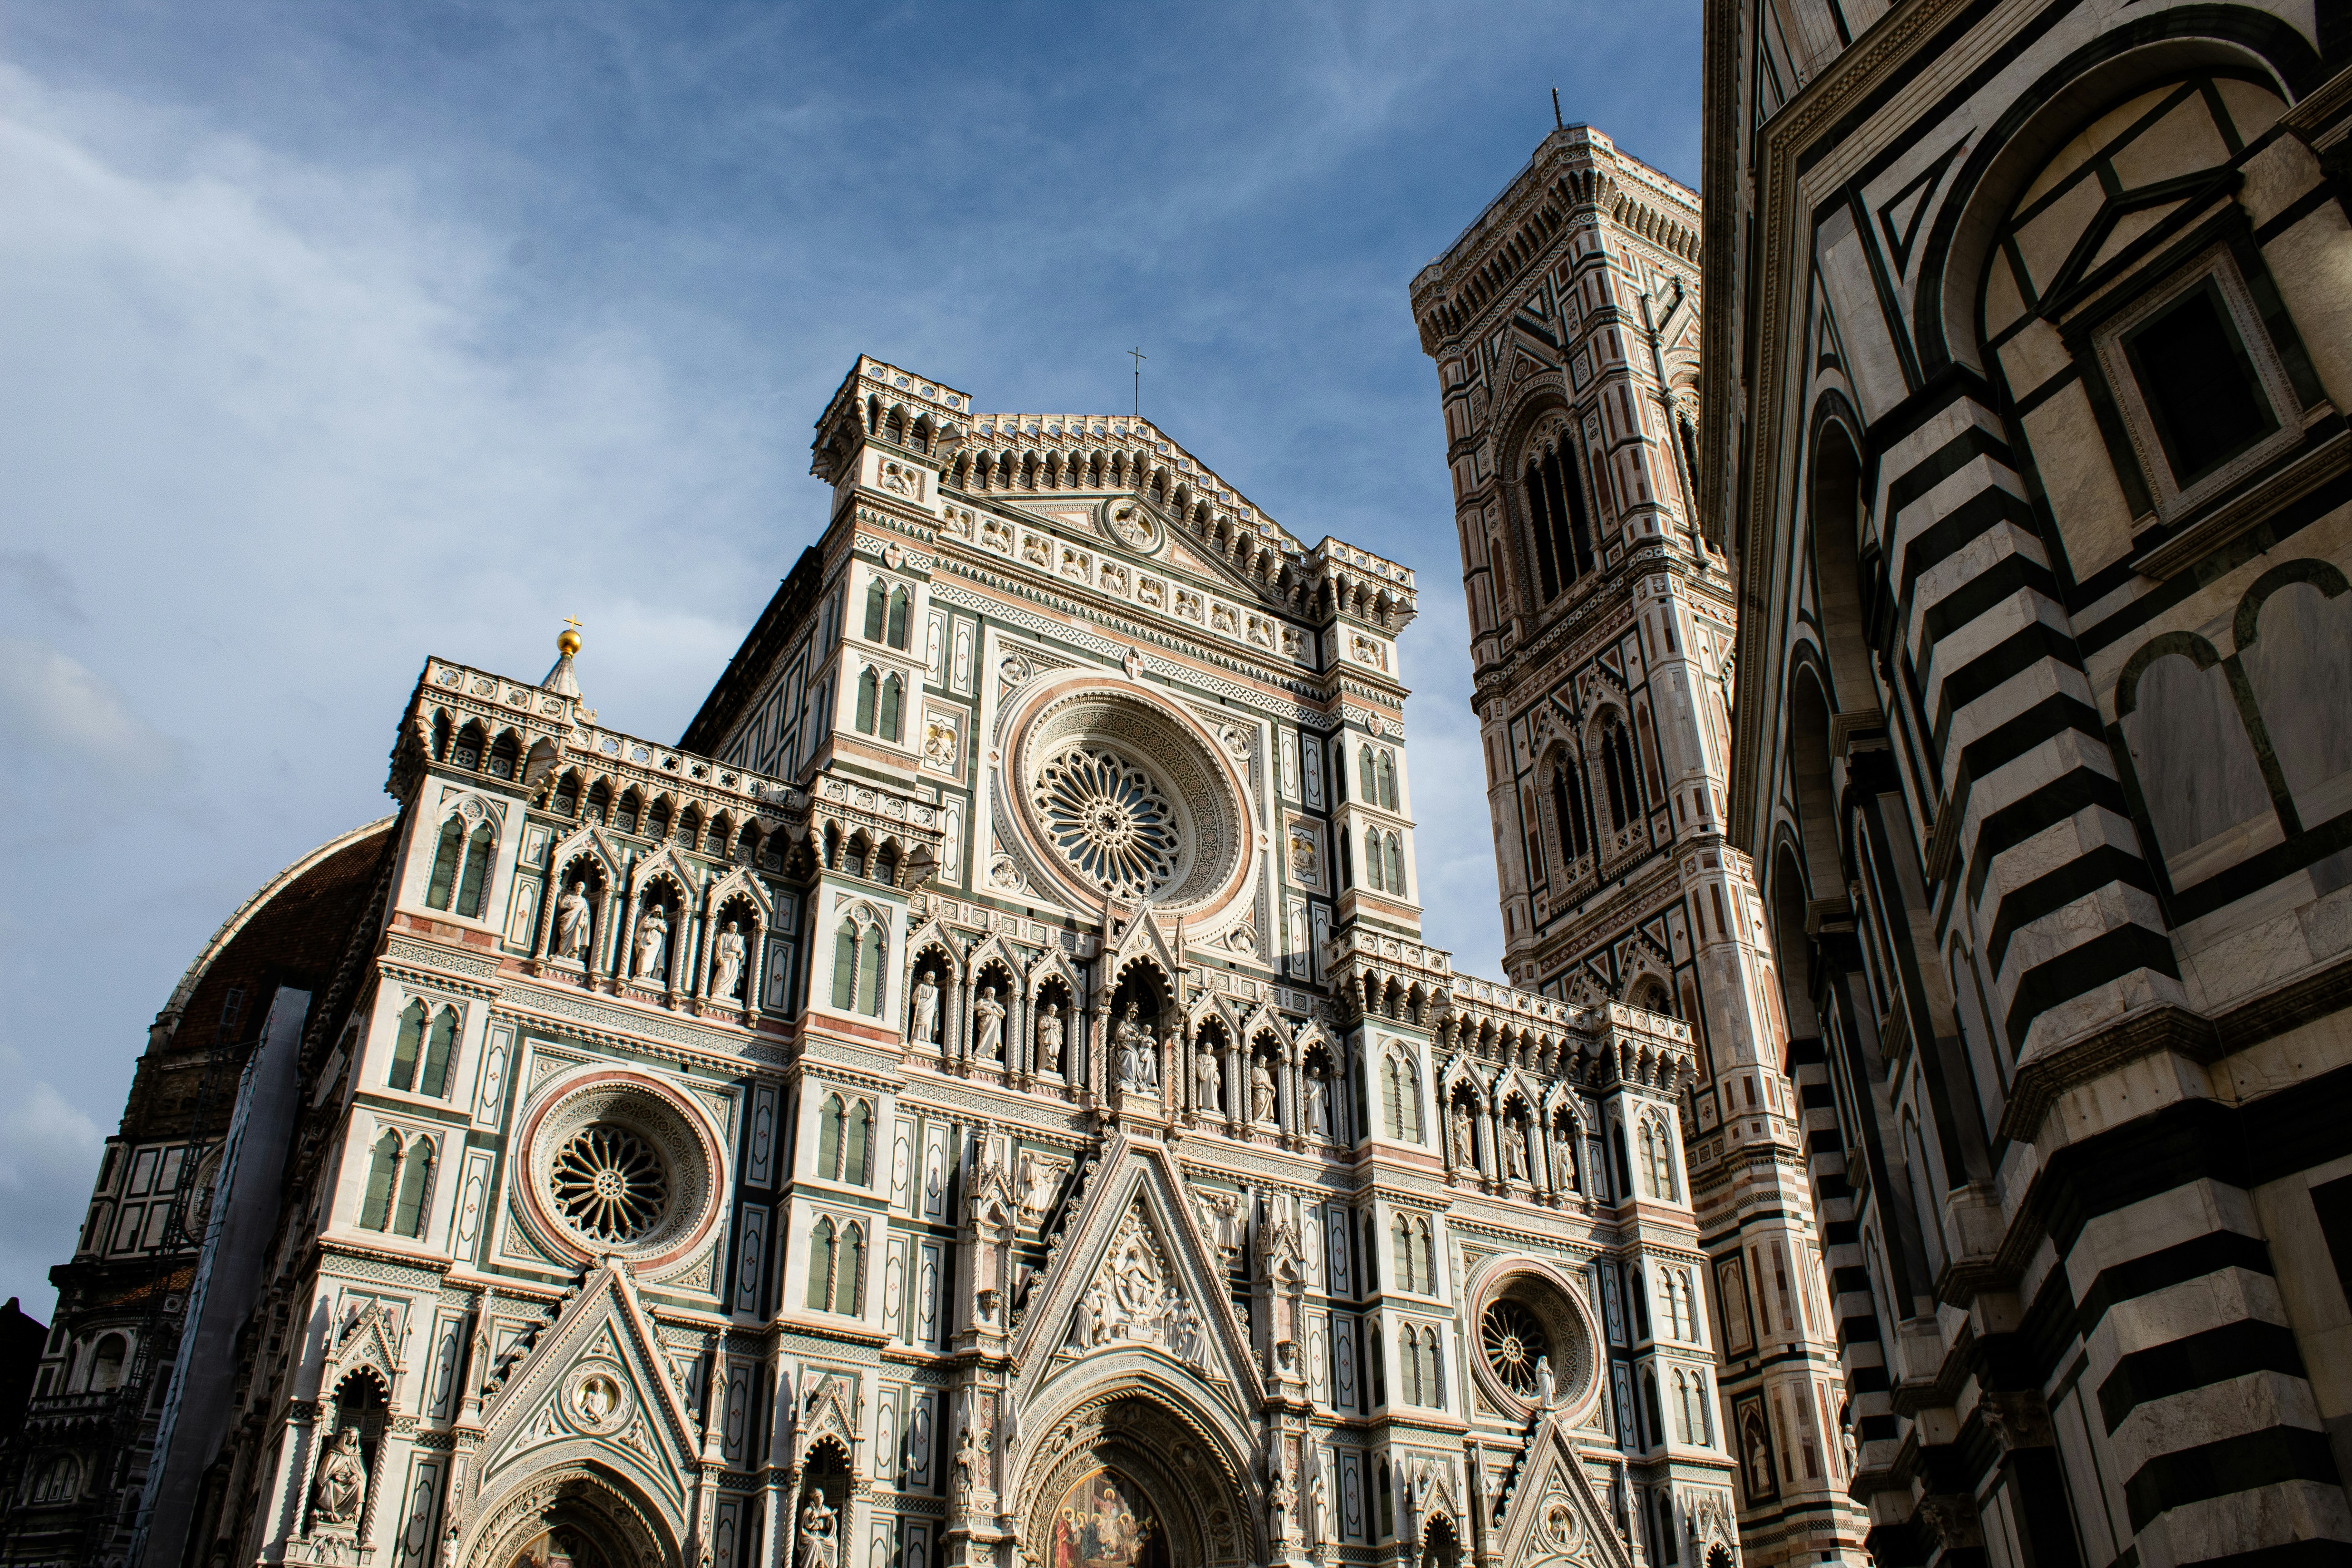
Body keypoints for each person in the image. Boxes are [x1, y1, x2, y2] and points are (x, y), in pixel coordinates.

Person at [554, 881, 592, 958]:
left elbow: (587, 914)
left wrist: (584, 921)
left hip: (578, 922)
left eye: (581, 888)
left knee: (576, 935)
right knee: (565, 933)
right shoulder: (569, 897)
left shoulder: (584, 901)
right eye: (578, 887)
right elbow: (561, 906)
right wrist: (572, 902)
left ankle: (572, 952)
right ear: (575, 887)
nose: (579, 889)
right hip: (568, 919)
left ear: (583, 889)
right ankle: (562, 952)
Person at [712, 920, 746, 1000]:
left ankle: (726, 993)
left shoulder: (740, 938)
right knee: (724, 974)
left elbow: (743, 951)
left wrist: (740, 952)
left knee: (733, 976)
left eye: (736, 926)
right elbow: (719, 948)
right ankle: (718, 991)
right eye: (733, 926)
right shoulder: (724, 936)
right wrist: (719, 957)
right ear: (729, 927)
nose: (735, 927)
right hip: (726, 958)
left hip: (735, 959)